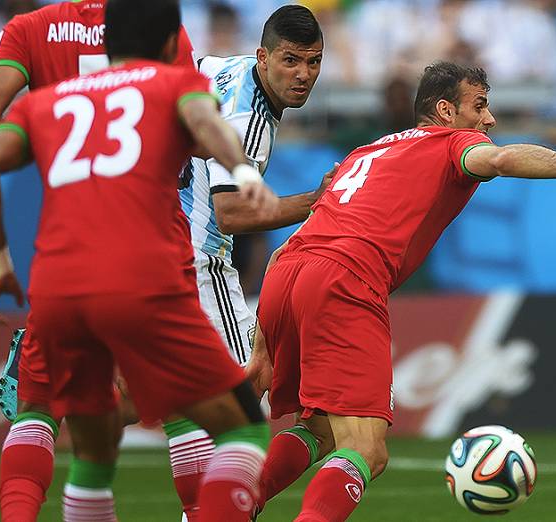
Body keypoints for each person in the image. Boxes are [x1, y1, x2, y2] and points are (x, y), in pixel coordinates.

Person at [246, 61, 556, 520]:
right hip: (344, 279)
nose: (489, 120)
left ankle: (227, 507)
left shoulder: (366, 152)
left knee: (319, 429)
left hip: (287, 270)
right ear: (445, 111)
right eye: (479, 106)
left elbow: (284, 249)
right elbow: (502, 159)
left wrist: (262, 343)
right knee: (367, 450)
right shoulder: (454, 143)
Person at [0, 1, 278, 520]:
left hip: (57, 287)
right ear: (168, 46)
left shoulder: (49, 101)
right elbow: (208, 122)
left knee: (89, 452)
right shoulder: (174, 84)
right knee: (242, 426)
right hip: (145, 278)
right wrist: (243, 173)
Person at [0, 2, 194, 519]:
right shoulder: (163, 26)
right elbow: (188, 126)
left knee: (37, 406)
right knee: (185, 402)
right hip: (154, 240)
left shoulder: (29, 29)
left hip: (69, 245)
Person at [170, 6, 328, 518]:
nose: (302, 75)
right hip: (199, 264)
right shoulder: (248, 117)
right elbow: (232, 212)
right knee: (240, 410)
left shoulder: (219, 66)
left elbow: (175, 74)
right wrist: (320, 199)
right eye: (290, 61)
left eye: (313, 62)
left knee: (206, 404)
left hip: (158, 247)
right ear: (264, 56)